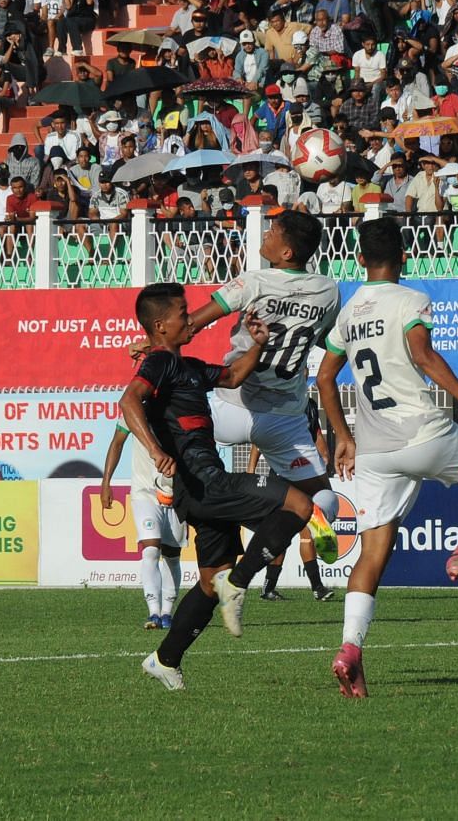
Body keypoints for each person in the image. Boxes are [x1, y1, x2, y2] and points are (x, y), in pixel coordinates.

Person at [315, 217, 458, 699]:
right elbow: (423, 355)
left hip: (375, 451)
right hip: (421, 433)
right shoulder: (410, 300)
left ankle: (350, 650)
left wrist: (343, 437)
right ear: (404, 258)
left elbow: (324, 378)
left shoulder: (348, 314)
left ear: (359, 259)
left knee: (371, 555)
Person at [119, 284, 316, 692]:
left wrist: (258, 345)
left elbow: (231, 375)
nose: (189, 319)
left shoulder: (186, 366)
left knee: (210, 582)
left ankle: (165, 659)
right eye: (182, 313)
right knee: (298, 503)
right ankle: (241, 581)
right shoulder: (158, 364)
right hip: (207, 482)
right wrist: (156, 450)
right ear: (160, 325)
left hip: (200, 490)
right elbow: (128, 401)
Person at [181, 210, 343, 603]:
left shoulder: (253, 281)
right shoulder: (328, 290)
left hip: (232, 406)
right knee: (325, 499)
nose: (266, 234)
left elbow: (191, 325)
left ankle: (175, 492)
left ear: (286, 251)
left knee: (172, 417)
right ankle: (294, 526)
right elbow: (325, 342)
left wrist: (152, 345)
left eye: (273, 231)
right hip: (285, 418)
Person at [98, 418, 184, 630]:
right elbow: (117, 442)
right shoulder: (134, 409)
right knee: (151, 550)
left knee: (172, 555)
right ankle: (153, 611)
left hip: (176, 492)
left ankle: (167, 613)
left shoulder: (178, 405)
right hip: (143, 492)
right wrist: (105, 482)